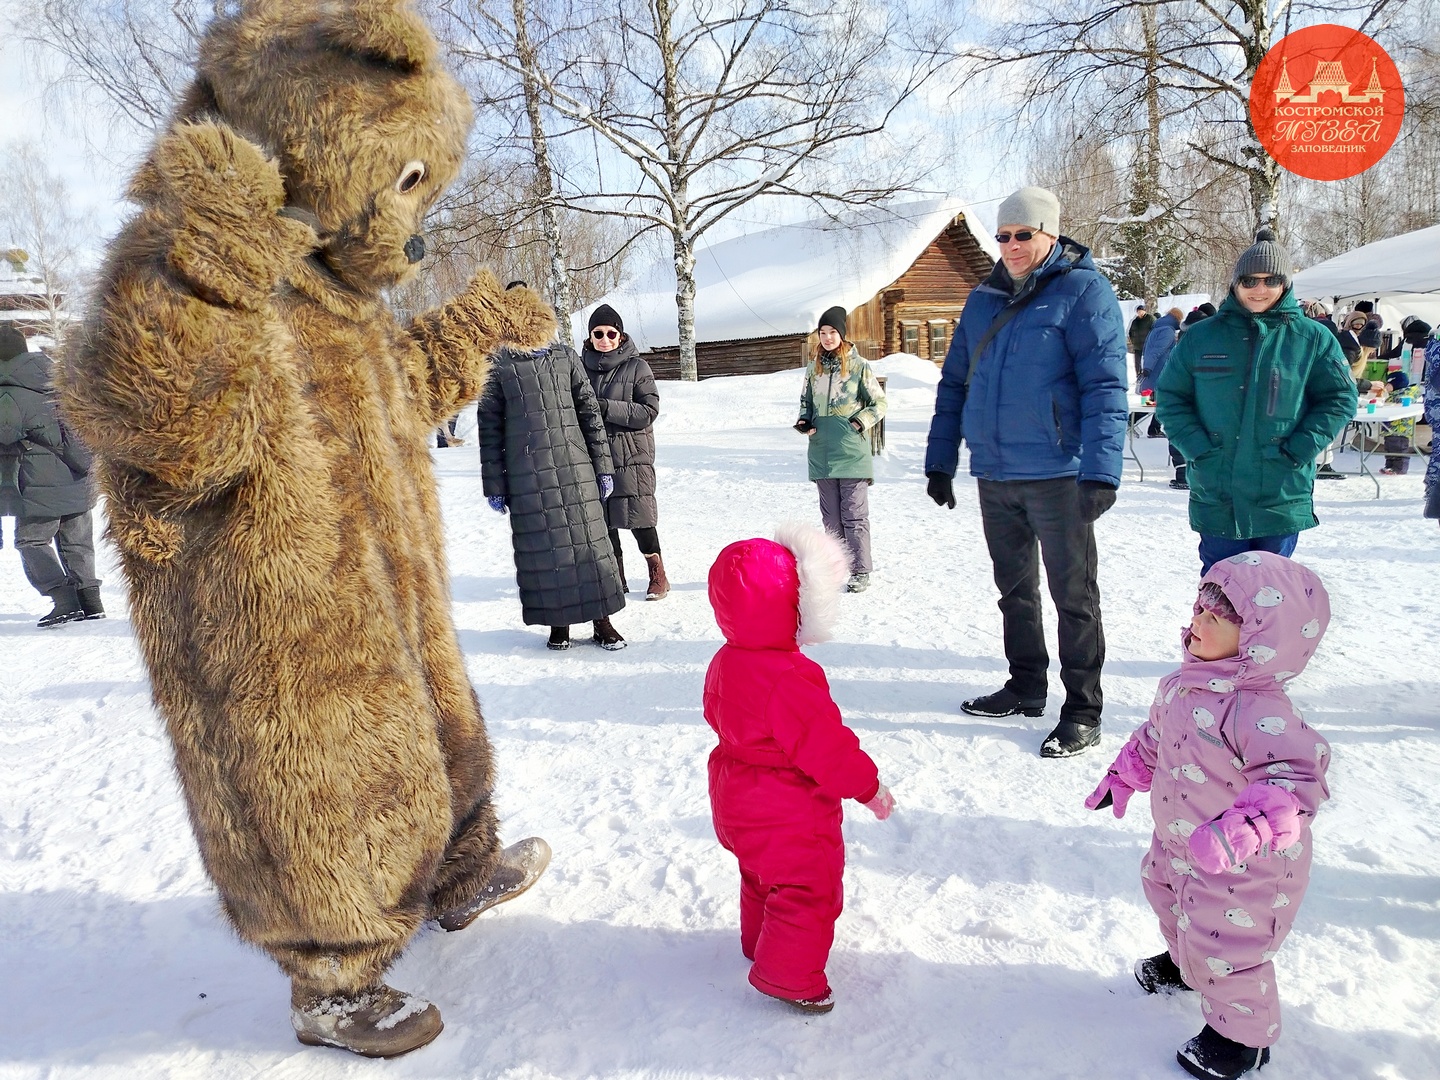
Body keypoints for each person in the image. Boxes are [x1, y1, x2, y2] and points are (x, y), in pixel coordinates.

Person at [1086, 551, 1331, 1080]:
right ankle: (1185, 963)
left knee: (1229, 945)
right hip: (1181, 840)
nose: (1196, 623)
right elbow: (1157, 738)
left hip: (1246, 868)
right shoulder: (1184, 684)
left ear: (1259, 641)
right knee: (1168, 897)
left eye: (1214, 619)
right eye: (1198, 609)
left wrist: (1246, 830)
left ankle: (1242, 1040)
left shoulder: (1262, 712)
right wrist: (1125, 774)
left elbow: (1295, 781)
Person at [924, 185, 1127, 758]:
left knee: (1074, 595)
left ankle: (1083, 708)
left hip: (1059, 471)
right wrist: (941, 459)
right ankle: (1025, 686)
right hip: (996, 471)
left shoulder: (1084, 292)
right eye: (1004, 236)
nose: (1011, 246)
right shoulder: (983, 297)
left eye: (1023, 235)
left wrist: (1101, 472)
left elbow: (1105, 385)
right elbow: (955, 383)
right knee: (1014, 589)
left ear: (1051, 234)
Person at [703, 523, 895, 1014]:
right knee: (808, 888)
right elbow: (827, 748)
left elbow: (715, 713)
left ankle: (758, 943)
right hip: (786, 806)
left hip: (735, 794)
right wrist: (868, 787)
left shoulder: (727, 659)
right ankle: (789, 976)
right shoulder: (790, 677)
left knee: (760, 875)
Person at [1156, 229, 1356, 575]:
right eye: (1250, 280)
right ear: (1235, 283)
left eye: (1271, 280)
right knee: (1220, 599)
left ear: (1286, 284)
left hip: (1280, 491)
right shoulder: (1201, 336)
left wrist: (1298, 450)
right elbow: (1171, 397)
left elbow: (1339, 398)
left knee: (1272, 598)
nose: (1259, 289)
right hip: (1219, 491)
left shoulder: (1312, 338)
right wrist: (1199, 448)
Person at [479, 325, 628, 650]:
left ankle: (602, 622)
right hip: (527, 475)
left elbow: (589, 412)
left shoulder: (565, 356)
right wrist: (495, 483)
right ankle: (558, 624)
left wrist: (603, 466)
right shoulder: (497, 364)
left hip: (575, 468)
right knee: (545, 553)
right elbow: (489, 426)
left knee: (590, 545)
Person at [0, 325, 104, 627]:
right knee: (78, 543)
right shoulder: (58, 380)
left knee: (30, 541)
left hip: (36, 486)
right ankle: (91, 602)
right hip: (77, 477)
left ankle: (63, 600)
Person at [794, 305, 886, 593]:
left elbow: (879, 404)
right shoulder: (814, 368)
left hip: (851, 451)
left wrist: (859, 422)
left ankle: (860, 570)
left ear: (842, 335)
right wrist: (803, 420)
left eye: (832, 332)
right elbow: (806, 402)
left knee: (854, 514)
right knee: (831, 517)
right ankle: (836, 566)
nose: (827, 337)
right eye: (822, 333)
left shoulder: (859, 367)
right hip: (821, 449)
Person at [581, 303, 669, 601]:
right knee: (603, 519)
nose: (604, 339)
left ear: (620, 335)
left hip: (631, 454)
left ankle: (657, 573)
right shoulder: (580, 368)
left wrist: (607, 408)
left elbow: (649, 409)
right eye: (598, 333)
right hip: (594, 454)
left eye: (611, 333)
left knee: (639, 515)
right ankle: (615, 576)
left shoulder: (636, 366)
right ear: (590, 336)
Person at [1138, 306, 1182, 442]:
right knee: (1160, 401)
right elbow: (1157, 351)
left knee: (1152, 401)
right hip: (1160, 370)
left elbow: (1148, 350)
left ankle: (1148, 426)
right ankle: (1151, 427)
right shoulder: (1168, 331)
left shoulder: (1157, 328)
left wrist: (1146, 367)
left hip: (1153, 369)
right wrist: (1148, 368)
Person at [1128, 303, 1155, 381]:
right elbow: (1130, 332)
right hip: (1137, 345)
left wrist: (1151, 341)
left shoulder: (1150, 319)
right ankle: (1138, 376)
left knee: (1147, 360)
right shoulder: (1135, 321)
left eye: (1141, 311)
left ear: (1144, 311)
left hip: (1148, 344)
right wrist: (1133, 340)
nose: (1140, 313)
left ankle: (1148, 375)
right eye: (1138, 311)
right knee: (1137, 362)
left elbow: (1154, 330)